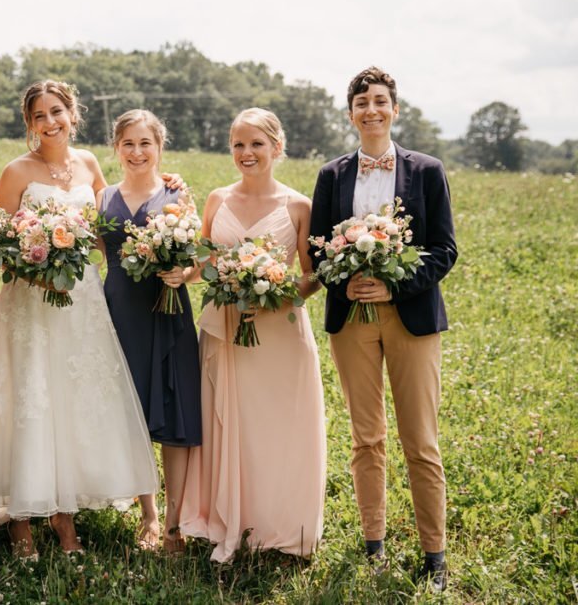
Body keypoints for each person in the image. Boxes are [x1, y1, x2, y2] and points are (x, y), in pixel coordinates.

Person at [0, 80, 161, 560]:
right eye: (39, 115)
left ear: (73, 114)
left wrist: (167, 187)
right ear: (29, 124)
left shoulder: (89, 164)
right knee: (33, 398)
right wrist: (35, 270)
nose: (50, 122)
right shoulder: (16, 171)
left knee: (75, 399)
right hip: (31, 301)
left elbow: (113, 221)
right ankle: (22, 522)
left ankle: (67, 507)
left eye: (57, 112)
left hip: (83, 299)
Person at [309, 67, 456, 592]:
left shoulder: (428, 170)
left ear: (395, 109)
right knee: (366, 438)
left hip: (412, 319)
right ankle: (374, 543)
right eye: (361, 103)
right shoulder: (331, 175)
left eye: (379, 101)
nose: (370, 110)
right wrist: (340, 282)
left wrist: (396, 287)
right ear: (350, 114)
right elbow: (316, 249)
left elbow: (445, 249)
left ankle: (434, 554)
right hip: (351, 321)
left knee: (420, 439)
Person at [179, 107, 326, 562]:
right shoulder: (217, 199)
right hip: (225, 330)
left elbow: (312, 275)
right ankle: (226, 518)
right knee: (227, 423)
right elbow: (202, 261)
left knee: (275, 430)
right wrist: (180, 269)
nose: (246, 153)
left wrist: (272, 290)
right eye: (238, 145)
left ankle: (278, 524)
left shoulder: (299, 206)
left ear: (277, 148)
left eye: (256, 144)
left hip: (278, 333)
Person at [96, 109, 201, 553]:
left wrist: (185, 273)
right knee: (132, 412)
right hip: (120, 310)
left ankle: (176, 523)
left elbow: (198, 260)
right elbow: (101, 255)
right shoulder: (102, 198)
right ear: (116, 148)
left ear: (160, 147)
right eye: (128, 143)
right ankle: (149, 517)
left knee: (173, 410)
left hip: (168, 309)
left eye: (146, 143)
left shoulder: (178, 196)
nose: (137, 152)